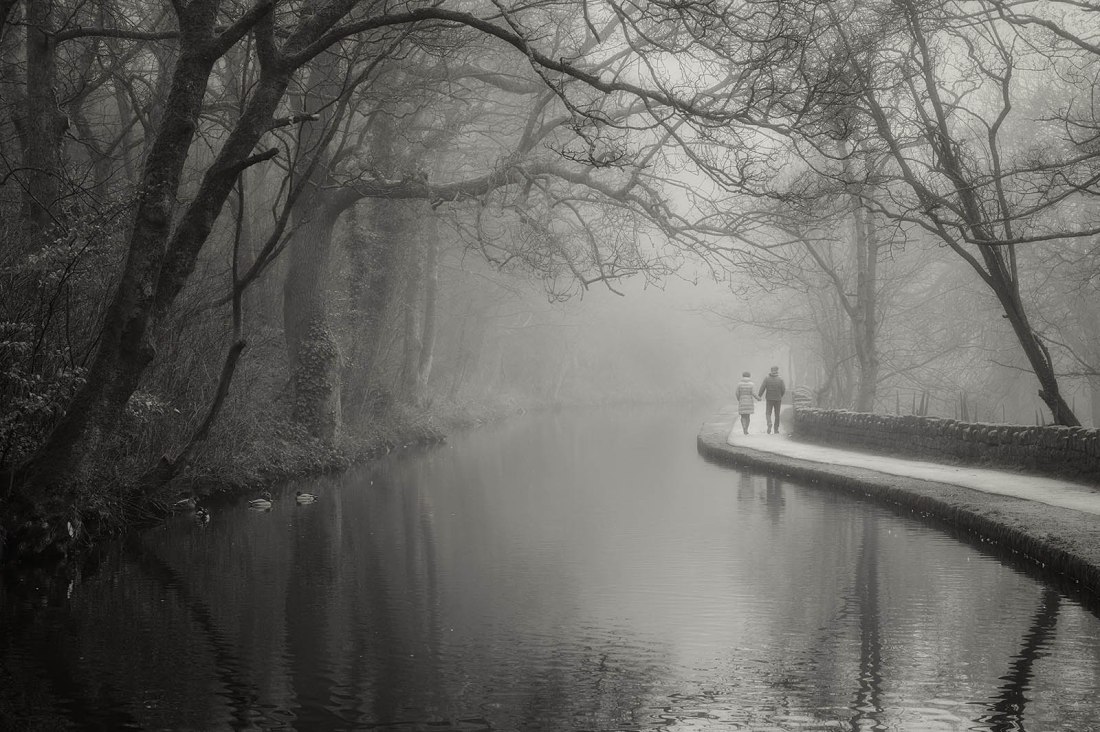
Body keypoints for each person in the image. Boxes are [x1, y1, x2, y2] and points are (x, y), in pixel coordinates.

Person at [758, 365, 786, 434]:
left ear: (771, 370)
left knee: (768, 413)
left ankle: (769, 423)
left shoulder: (767, 378)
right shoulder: (780, 379)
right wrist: (780, 395)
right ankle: (776, 429)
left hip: (769, 398)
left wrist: (759, 396)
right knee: (777, 414)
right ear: (777, 370)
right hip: (778, 399)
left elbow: (762, 388)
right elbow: (783, 389)